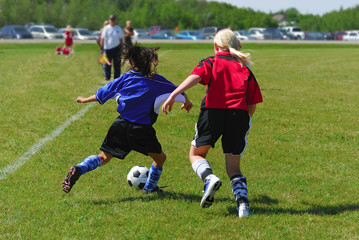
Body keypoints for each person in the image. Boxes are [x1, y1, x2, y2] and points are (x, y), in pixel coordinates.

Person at [62, 45, 193, 194]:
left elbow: (101, 95)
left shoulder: (124, 79)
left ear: (131, 62)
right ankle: (149, 188)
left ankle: (79, 168)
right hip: (142, 130)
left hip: (120, 125)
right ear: (150, 62)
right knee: (160, 158)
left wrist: (85, 99)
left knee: (104, 157)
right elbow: (179, 90)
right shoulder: (157, 81)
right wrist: (187, 103)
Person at [161, 29, 263, 218]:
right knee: (233, 168)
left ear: (216, 46)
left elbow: (196, 77)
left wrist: (174, 94)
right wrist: (245, 119)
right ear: (236, 46)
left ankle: (209, 178)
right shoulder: (245, 68)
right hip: (238, 116)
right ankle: (243, 207)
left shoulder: (211, 61)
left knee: (196, 154)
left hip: (212, 113)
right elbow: (253, 102)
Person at [100, 14, 124, 81]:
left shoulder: (118, 28)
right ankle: (107, 77)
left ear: (115, 20)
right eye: (111, 19)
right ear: (109, 20)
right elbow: (102, 39)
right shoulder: (106, 28)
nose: (112, 21)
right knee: (107, 64)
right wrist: (101, 48)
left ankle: (117, 78)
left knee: (117, 64)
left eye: (113, 19)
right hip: (107, 49)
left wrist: (122, 47)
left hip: (117, 48)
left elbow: (121, 39)